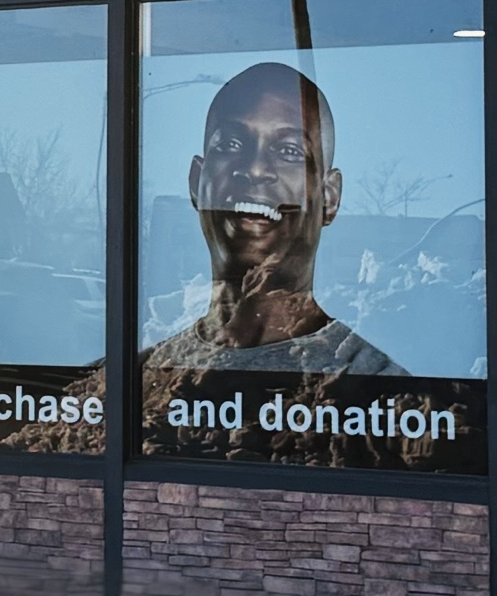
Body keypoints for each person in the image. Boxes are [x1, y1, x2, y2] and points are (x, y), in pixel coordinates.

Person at [140, 62, 401, 379]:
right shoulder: (127, 384)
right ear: (197, 182)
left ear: (329, 198)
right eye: (230, 145)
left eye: (289, 151)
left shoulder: (385, 396)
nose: (255, 169)